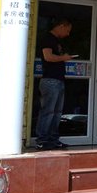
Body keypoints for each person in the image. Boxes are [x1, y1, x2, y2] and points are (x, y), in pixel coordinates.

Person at [36, 17, 74, 150]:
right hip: (50, 80)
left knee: (57, 113)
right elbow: (48, 56)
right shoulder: (48, 38)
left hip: (59, 80)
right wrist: (64, 58)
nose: (68, 34)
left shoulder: (57, 41)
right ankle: (42, 140)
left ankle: (53, 139)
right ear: (61, 26)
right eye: (67, 30)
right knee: (48, 111)